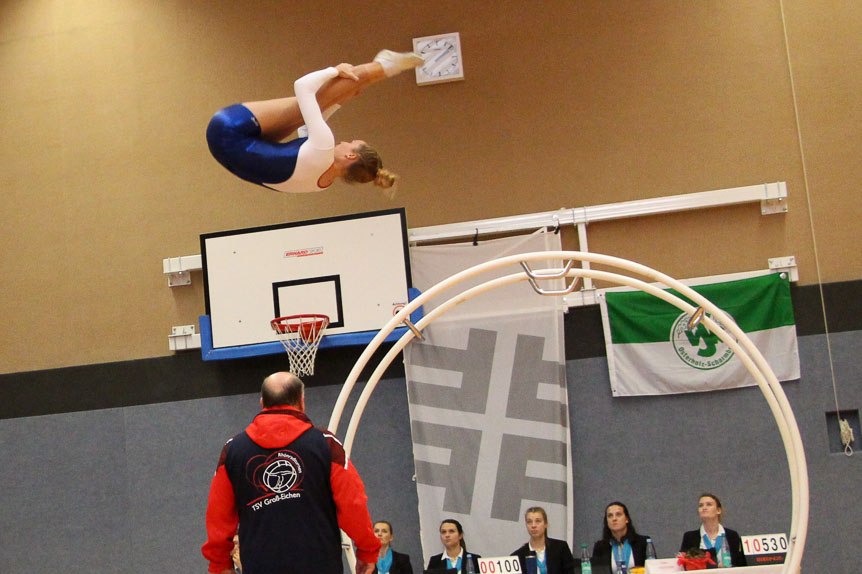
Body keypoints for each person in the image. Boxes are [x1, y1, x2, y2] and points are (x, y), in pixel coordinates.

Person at [202, 371, 381, 574]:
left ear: (262, 403)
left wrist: (220, 564)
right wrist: (367, 552)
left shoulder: (233, 450)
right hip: (320, 565)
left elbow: (218, 514)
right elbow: (353, 504)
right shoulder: (326, 445)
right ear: (302, 402)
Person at [206, 50, 423, 194]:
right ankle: (381, 68)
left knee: (326, 91)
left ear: (351, 155)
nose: (344, 142)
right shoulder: (322, 182)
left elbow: (302, 86)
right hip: (226, 149)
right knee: (328, 99)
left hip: (228, 129)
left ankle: (383, 66)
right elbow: (306, 128)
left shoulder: (323, 147)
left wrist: (335, 70)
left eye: (350, 143)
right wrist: (340, 100)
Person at [679, 493, 747, 567]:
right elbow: (683, 564)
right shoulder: (690, 537)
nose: (704, 508)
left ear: (718, 510)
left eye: (709, 504)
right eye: (701, 505)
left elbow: (739, 564)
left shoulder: (732, 535)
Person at [511, 507, 575, 574]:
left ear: (545, 524)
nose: (533, 525)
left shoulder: (560, 548)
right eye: (529, 522)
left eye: (538, 521)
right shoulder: (518, 556)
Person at [591, 502, 650, 574]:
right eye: (610, 516)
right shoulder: (600, 547)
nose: (614, 518)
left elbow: (653, 569)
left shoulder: (643, 542)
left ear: (626, 519)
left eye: (618, 514)